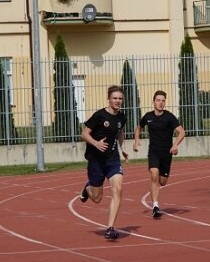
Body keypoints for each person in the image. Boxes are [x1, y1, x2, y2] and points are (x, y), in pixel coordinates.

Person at [77, 85, 129, 240]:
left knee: (118, 189)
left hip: (112, 159)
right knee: (97, 199)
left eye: (120, 98)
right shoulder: (99, 116)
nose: (118, 101)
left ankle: (110, 228)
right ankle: (88, 189)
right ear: (109, 99)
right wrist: (96, 143)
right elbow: (84, 134)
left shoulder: (122, 117)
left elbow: (119, 132)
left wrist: (122, 148)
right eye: (115, 98)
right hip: (96, 160)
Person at [132, 90, 186, 219]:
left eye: (163, 101)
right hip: (154, 152)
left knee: (162, 182)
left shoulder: (169, 117)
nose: (160, 103)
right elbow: (139, 127)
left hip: (166, 154)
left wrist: (175, 145)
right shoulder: (148, 116)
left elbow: (182, 132)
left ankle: (155, 187)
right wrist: (136, 141)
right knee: (154, 176)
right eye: (158, 100)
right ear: (153, 102)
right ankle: (155, 206)